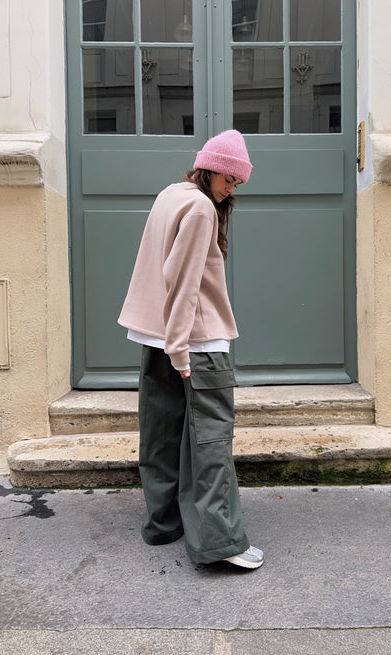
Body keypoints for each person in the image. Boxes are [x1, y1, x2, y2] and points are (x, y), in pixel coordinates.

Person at [118, 130, 263, 569]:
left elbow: (158, 269)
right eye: (228, 178)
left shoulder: (170, 195)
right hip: (195, 341)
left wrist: (169, 343)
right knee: (210, 440)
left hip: (155, 335)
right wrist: (180, 349)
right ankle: (221, 543)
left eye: (236, 183)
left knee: (161, 432)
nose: (230, 189)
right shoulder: (200, 208)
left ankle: (164, 523)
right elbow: (184, 283)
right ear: (209, 168)